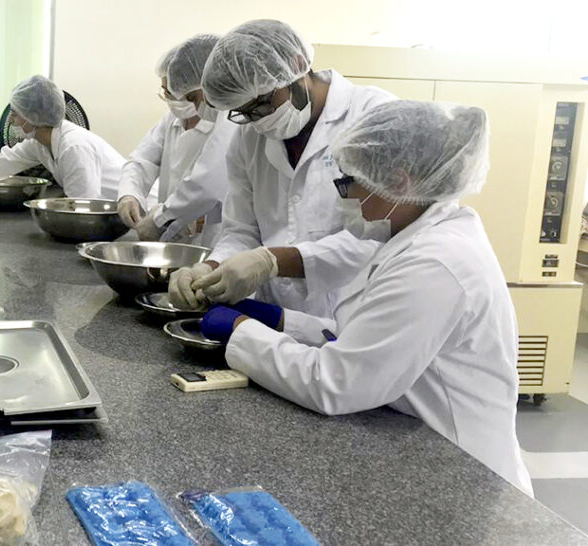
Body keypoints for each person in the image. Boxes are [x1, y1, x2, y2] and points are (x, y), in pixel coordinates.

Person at [199, 100, 533, 496]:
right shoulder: (414, 236)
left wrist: (242, 331)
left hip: (459, 472)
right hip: (417, 446)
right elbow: (365, 338)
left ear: (399, 181)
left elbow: (336, 383)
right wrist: (281, 320)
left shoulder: (435, 263)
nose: (345, 196)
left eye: (349, 182)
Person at [168, 20, 395, 315]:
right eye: (243, 112)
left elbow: (379, 233)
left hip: (352, 313)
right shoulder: (248, 136)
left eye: (262, 103)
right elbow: (242, 229)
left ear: (297, 65)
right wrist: (211, 267)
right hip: (274, 317)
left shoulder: (373, 116)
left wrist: (273, 261)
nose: (257, 119)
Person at [116, 34, 235, 246]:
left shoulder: (228, 123)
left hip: (212, 242)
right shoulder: (172, 118)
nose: (172, 99)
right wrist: (129, 194)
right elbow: (143, 160)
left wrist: (163, 219)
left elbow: (207, 186)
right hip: (170, 240)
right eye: (167, 92)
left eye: (178, 93)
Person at [0, 75, 125, 199]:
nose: (10, 121)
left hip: (138, 216)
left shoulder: (73, 146)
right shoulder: (39, 144)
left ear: (35, 117)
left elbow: (84, 206)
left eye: (16, 113)